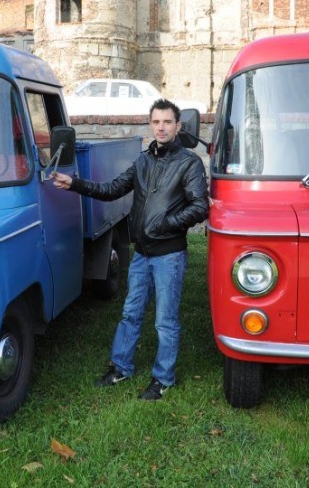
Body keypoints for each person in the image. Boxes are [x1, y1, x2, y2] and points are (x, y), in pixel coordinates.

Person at [52, 98, 209, 400]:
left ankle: (163, 378)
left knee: (165, 320)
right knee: (130, 313)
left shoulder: (188, 163)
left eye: (167, 122)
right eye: (155, 122)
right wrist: (74, 183)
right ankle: (120, 367)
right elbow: (112, 189)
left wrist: (164, 224)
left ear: (177, 126)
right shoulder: (143, 160)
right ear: (150, 125)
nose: (161, 127)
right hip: (142, 254)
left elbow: (200, 207)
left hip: (169, 255)